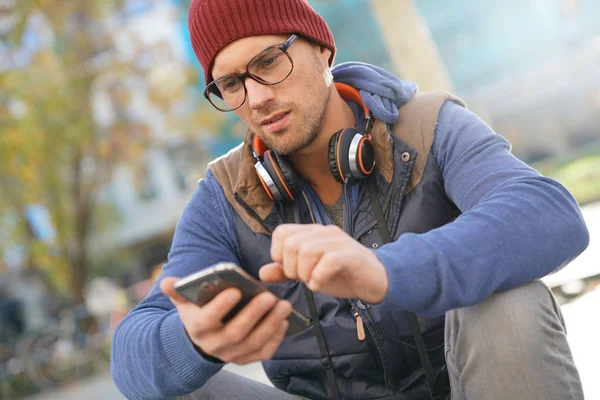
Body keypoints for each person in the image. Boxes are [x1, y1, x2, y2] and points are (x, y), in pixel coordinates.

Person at [110, 1, 590, 399]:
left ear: (321, 49)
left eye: (269, 62)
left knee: (510, 303)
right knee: (173, 382)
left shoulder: (429, 126)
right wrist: (195, 340)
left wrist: (385, 271)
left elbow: (547, 214)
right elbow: (130, 354)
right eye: (232, 84)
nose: (255, 98)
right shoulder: (225, 196)